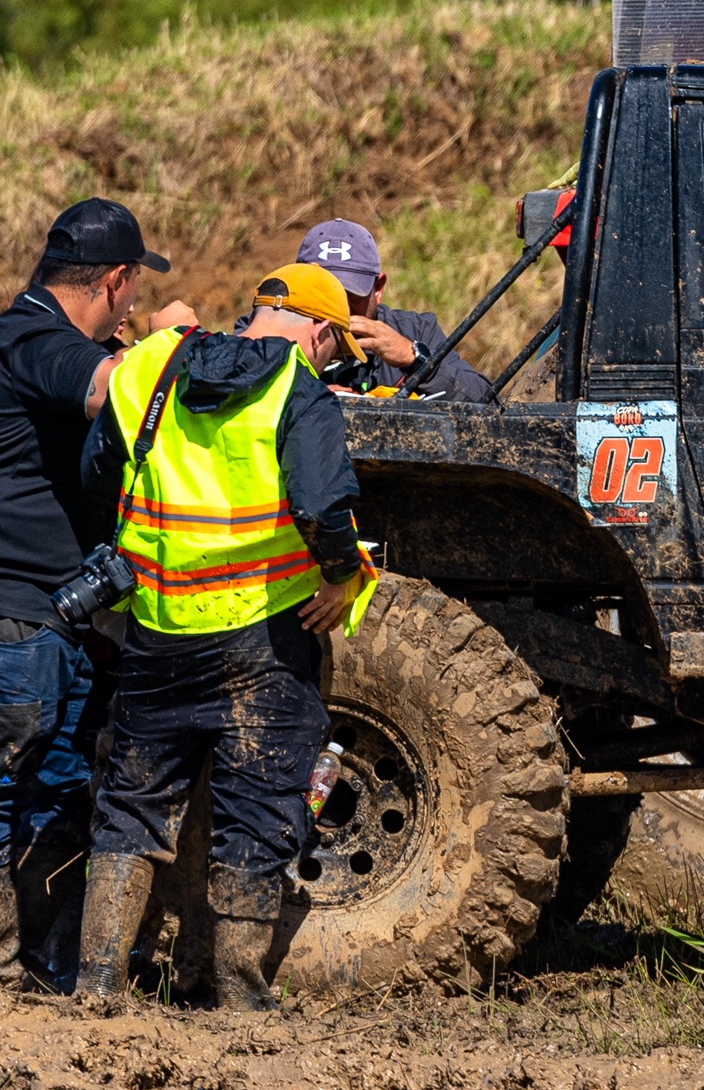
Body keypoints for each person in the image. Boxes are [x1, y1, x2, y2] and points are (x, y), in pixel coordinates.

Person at [0, 197, 195, 989]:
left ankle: (43, 969)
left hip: (47, 608)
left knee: (61, 784)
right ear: (116, 279)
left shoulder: (49, 335)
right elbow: (108, 391)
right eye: (133, 292)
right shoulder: (33, 336)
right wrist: (171, 338)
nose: (131, 307)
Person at [72, 262, 377, 1012]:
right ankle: (239, 998)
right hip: (261, 642)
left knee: (132, 804)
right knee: (257, 807)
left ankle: (97, 986)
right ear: (318, 330)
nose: (330, 362)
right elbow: (321, 506)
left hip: (159, 628)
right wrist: (342, 576)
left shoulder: (150, 368)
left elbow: (99, 471)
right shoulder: (298, 390)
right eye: (335, 348)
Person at [282, 218, 493, 401]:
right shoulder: (277, 329)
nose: (337, 307)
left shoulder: (416, 331)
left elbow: (488, 403)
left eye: (349, 295)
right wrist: (303, 398)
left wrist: (415, 361)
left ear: (378, 289)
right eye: (324, 294)